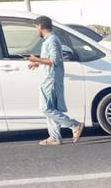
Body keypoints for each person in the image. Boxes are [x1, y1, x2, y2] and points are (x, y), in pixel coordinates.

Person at [27, 16, 83, 145]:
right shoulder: (49, 40)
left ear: (40, 26)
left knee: (46, 108)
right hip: (48, 77)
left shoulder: (52, 40)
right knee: (51, 108)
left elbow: (55, 60)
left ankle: (74, 124)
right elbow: (50, 59)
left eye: (36, 27)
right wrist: (38, 63)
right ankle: (54, 137)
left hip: (50, 79)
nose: (36, 30)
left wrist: (36, 59)